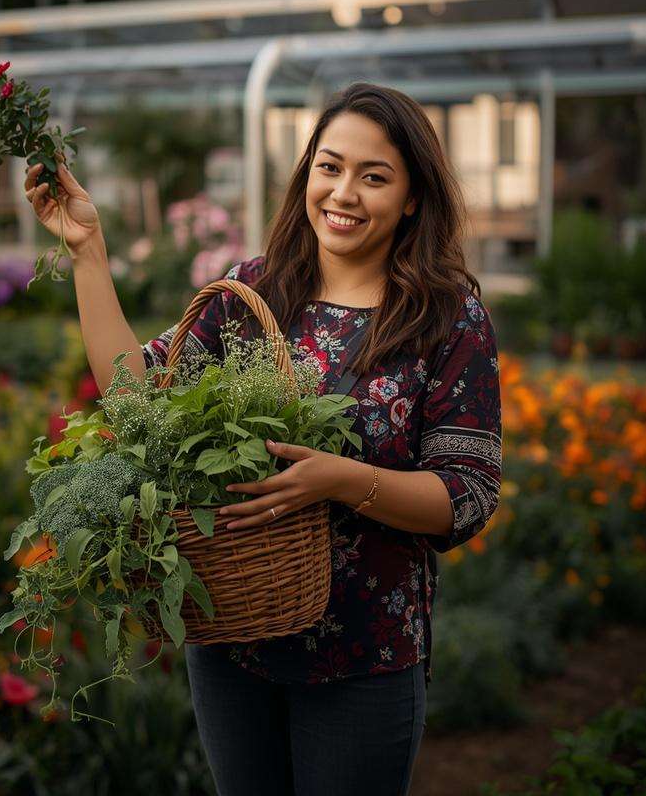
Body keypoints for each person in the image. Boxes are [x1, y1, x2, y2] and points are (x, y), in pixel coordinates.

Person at [25, 83, 501, 796]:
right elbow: (136, 398)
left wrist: (339, 479)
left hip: (364, 656)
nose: (343, 192)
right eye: (329, 167)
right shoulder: (255, 291)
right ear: (306, 171)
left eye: (374, 177)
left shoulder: (446, 317)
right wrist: (89, 251)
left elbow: (467, 496)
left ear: (411, 198)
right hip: (232, 645)